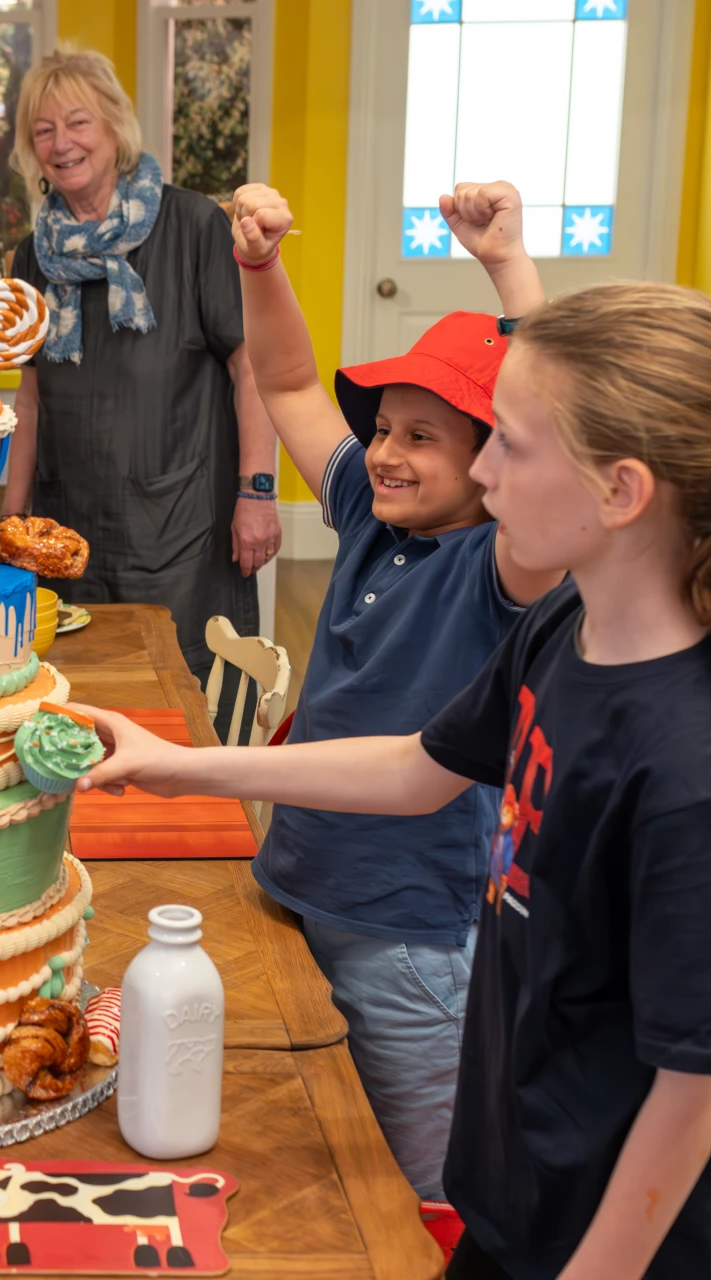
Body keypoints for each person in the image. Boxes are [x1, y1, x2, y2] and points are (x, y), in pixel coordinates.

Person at [76, 283, 711, 1278]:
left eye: (510, 445)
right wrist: (174, 763)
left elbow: (697, 1079)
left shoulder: (696, 770)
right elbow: (415, 764)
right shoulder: (564, 631)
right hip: (526, 1183)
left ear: (622, 492)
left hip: (626, 1244)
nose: (482, 467)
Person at [225, 180, 562, 1200]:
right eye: (384, 426)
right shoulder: (372, 519)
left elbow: (565, 424)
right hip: (300, 889)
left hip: (412, 938)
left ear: (499, 458)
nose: (385, 450)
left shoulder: (507, 566)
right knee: (311, 1153)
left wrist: (508, 267)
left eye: (424, 436)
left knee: (423, 1185)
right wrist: (261, 268)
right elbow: (285, 384)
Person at [1, 46, 279, 691]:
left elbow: (251, 370)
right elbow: (32, 399)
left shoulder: (193, 226)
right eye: (43, 131)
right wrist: (10, 522)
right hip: (68, 520)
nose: (61, 143)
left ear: (115, 128)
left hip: (183, 520)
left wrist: (257, 493)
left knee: (186, 687)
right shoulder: (31, 256)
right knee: (80, 692)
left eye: (78, 122)